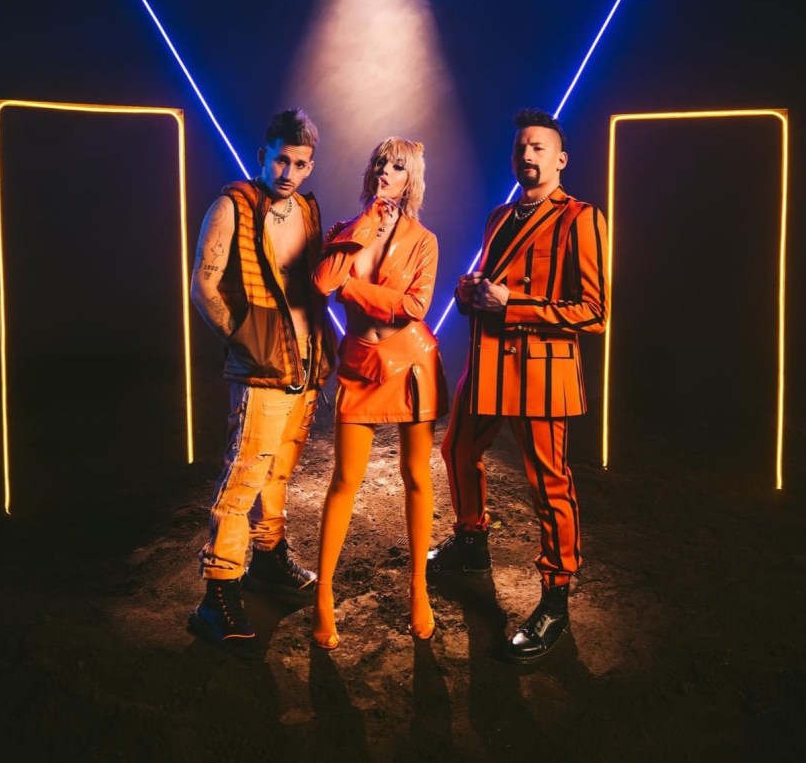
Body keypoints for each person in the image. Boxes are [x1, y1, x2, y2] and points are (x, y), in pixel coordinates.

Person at [427, 108, 609, 663]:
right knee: (457, 449)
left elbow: (594, 312)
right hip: (487, 365)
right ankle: (471, 541)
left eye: (538, 148)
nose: (527, 155)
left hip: (541, 373)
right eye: (521, 148)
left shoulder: (581, 217)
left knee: (549, 486)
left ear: (561, 159)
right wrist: (469, 292)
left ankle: (556, 599)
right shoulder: (499, 216)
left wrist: (513, 303)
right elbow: (491, 285)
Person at [187, 108, 336, 658]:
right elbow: (203, 285)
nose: (289, 172)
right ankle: (218, 592)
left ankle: (268, 560)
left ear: (311, 165)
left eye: (300, 163)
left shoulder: (309, 210)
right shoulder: (234, 204)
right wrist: (245, 341)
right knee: (245, 474)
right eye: (281, 160)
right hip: (261, 367)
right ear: (263, 155)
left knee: (277, 471)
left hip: (304, 364)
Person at [310, 137, 448, 650]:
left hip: (411, 363)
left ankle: (419, 589)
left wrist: (352, 289)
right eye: (381, 164)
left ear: (411, 179)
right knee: (344, 481)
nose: (386, 172)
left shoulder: (424, 240)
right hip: (359, 367)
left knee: (417, 477)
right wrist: (365, 223)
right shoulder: (346, 231)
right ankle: (323, 595)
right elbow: (323, 282)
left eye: (397, 166)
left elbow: (414, 307)